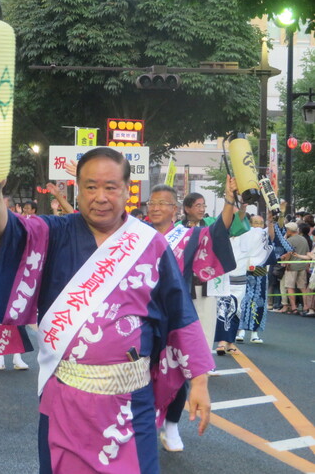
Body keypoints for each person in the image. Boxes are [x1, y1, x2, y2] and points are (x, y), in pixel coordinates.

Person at [0, 148, 212, 474]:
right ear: (77, 187)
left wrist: (199, 382)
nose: (100, 197)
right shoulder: (52, 233)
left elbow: (181, 312)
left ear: (127, 191)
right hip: (65, 401)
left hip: (131, 402)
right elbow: (6, 231)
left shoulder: (150, 244)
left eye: (110, 187)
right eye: (90, 187)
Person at [146, 180, 238, 452]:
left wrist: (229, 200)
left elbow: (218, 231)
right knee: (140, 372)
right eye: (152, 203)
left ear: (175, 209)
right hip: (141, 316)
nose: (156, 208)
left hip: (176, 317)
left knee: (179, 372)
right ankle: (144, 423)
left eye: (162, 203)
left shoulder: (188, 236)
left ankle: (171, 425)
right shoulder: (136, 236)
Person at [234, 215, 277, 344]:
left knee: (259, 302)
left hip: (260, 271)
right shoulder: (244, 234)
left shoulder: (265, 234)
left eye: (260, 223)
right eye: (255, 223)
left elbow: (273, 234)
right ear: (250, 223)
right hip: (245, 270)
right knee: (244, 301)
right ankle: (240, 330)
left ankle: (254, 333)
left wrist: (271, 220)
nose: (258, 225)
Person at [279, 221, 309, 314]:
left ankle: (293, 307)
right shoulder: (304, 239)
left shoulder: (289, 240)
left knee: (290, 287)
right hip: (303, 265)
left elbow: (288, 253)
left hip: (291, 266)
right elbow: (307, 252)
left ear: (289, 230)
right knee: (302, 287)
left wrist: (285, 261)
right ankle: (306, 307)